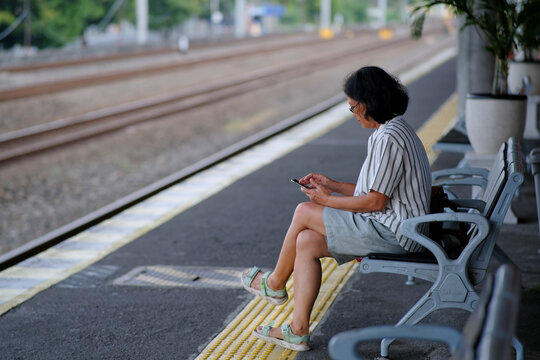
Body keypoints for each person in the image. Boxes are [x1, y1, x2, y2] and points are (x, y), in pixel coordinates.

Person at [241, 66, 431, 351]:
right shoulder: (393, 130)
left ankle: (275, 283)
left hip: (397, 233)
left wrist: (325, 200)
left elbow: (375, 202)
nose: (353, 113)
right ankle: (297, 330)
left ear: (367, 104)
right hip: (395, 226)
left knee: (304, 211)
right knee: (306, 242)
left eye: (353, 107)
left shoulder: (389, 138)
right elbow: (374, 193)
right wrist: (331, 185)